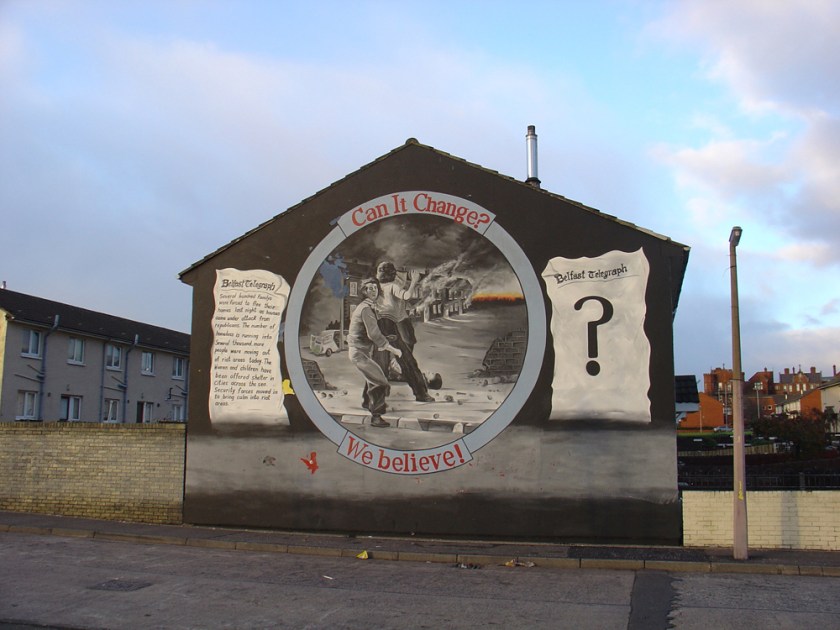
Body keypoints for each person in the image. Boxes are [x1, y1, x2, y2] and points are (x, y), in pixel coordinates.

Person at [374, 261, 435, 402]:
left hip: (380, 325)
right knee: (406, 360)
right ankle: (421, 393)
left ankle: (372, 400)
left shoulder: (376, 287)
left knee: (378, 364)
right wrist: (414, 281)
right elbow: (407, 296)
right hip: (389, 325)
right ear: (393, 275)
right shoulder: (393, 286)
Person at [347, 278, 402, 428]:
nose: (373, 290)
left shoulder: (370, 307)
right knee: (380, 381)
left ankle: (367, 403)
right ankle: (376, 417)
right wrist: (392, 349)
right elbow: (374, 334)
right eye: (369, 288)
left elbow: (369, 332)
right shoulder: (365, 308)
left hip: (363, 351)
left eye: (375, 288)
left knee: (372, 375)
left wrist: (387, 339)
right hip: (359, 353)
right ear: (364, 291)